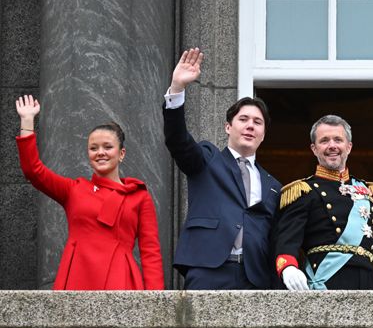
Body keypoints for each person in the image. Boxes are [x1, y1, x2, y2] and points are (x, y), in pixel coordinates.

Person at [14, 95, 164, 290]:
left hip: (121, 280)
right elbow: (33, 171)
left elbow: (150, 251)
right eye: (93, 148)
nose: (100, 152)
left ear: (121, 154)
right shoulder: (74, 189)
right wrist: (27, 121)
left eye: (108, 147)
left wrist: (155, 302)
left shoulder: (139, 196)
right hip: (77, 276)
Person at [164, 48, 281, 290]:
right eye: (243, 119)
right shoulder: (208, 159)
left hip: (256, 278)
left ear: (264, 135)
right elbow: (178, 141)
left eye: (257, 122)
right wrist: (177, 89)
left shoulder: (274, 186)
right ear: (228, 127)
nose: (250, 126)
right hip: (209, 270)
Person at [274, 115, 373, 290]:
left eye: (338, 140)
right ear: (314, 149)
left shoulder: (369, 191)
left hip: (367, 281)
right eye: (324, 141)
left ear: (349, 147)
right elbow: (287, 239)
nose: (332, 146)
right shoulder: (304, 191)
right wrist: (288, 267)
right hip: (328, 281)